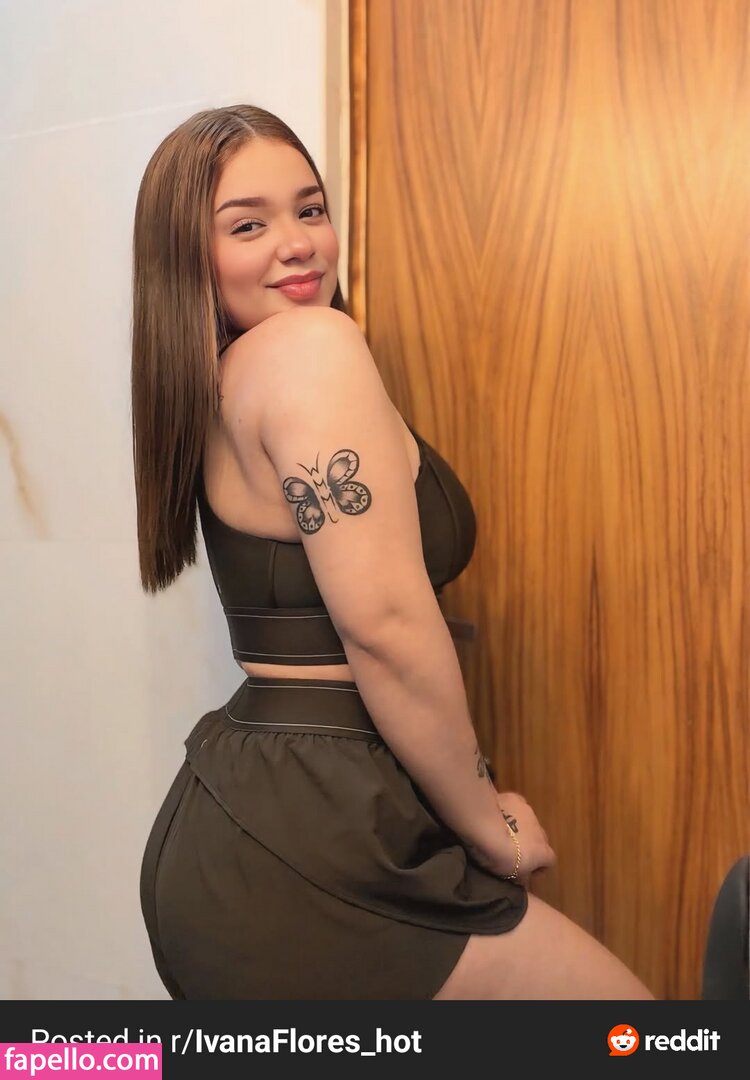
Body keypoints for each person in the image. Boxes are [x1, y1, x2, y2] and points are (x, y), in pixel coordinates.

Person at [132, 104, 653, 1000]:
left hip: (253, 821)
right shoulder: (309, 349)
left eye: (310, 209)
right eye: (248, 226)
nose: (298, 243)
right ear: (187, 255)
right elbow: (383, 626)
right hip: (318, 833)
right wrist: (489, 822)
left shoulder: (223, 379)